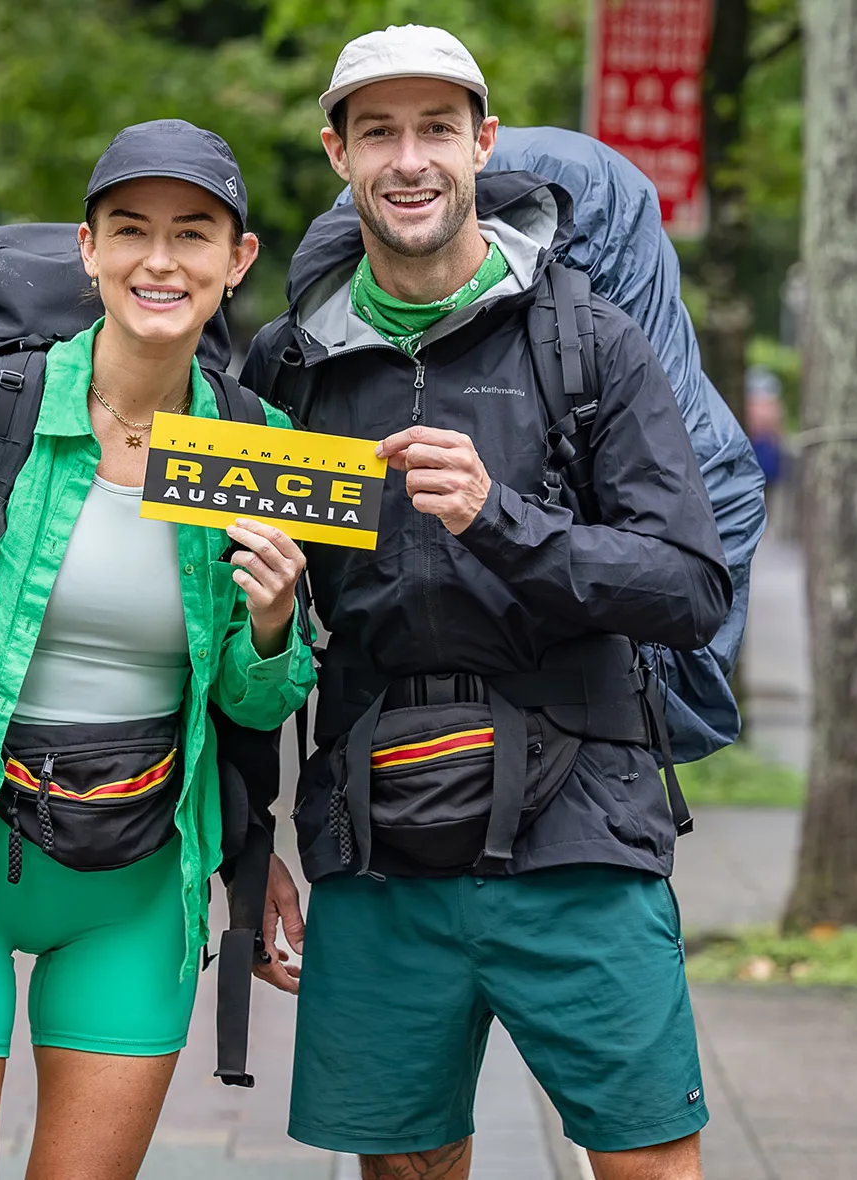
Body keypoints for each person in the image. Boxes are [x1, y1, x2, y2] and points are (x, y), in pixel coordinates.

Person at [240, 26, 731, 1180]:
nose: (409, 161)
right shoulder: (290, 367)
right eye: (379, 134)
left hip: (583, 825)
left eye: (436, 131)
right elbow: (233, 619)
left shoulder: (588, 342)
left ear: (483, 144)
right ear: (337, 153)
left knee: (650, 1159)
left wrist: (499, 516)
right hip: (371, 831)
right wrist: (243, 839)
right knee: (403, 1164)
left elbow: (688, 585)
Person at [0, 119, 316, 1180]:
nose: (160, 261)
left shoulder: (252, 442)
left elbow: (253, 709)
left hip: (138, 870)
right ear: (89, 250)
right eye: (130, 231)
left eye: (192, 235)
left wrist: (271, 624)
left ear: (236, 261)